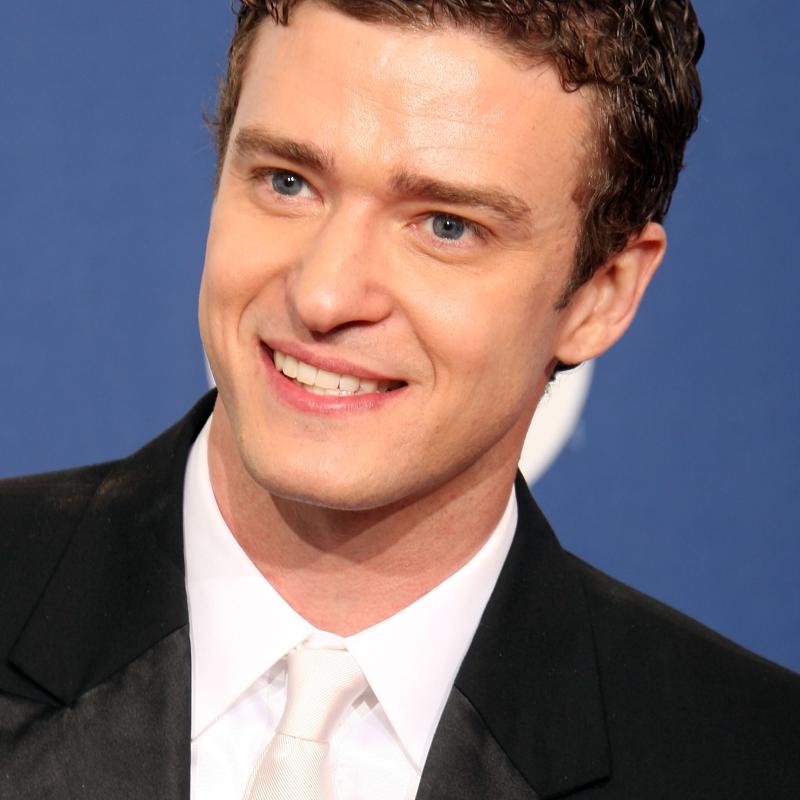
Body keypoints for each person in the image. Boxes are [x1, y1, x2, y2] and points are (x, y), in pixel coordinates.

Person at [1, 1, 798, 798]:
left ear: (601, 294)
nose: (323, 294)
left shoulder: (751, 760)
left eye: (446, 226)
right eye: (288, 182)